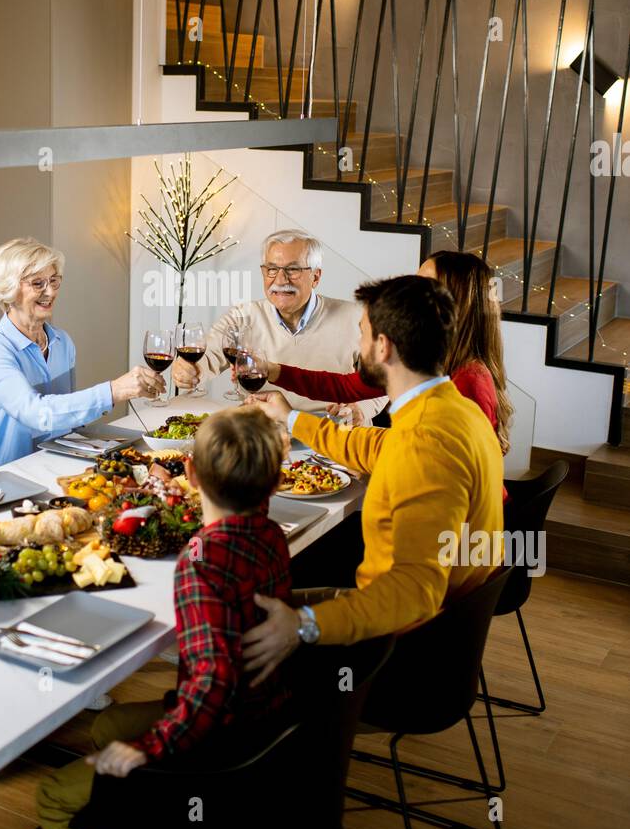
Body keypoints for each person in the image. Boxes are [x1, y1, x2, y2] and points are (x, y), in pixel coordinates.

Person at [36, 405, 292, 829]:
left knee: (55, 799)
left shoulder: (200, 561)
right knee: (107, 727)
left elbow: (211, 685)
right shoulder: (270, 534)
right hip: (266, 725)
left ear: (191, 475)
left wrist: (151, 748)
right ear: (275, 477)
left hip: (215, 748)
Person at [241, 275, 505, 680]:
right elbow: (378, 447)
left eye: (362, 333)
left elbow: (414, 592)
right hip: (434, 629)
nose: (359, 345)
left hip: (393, 654)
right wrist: (289, 417)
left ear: (383, 347)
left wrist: (303, 626)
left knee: (234, 630)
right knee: (244, 606)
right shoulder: (454, 409)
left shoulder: (424, 441)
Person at [265, 251, 512, 449]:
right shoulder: (421, 365)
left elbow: (435, 471)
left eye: (422, 286)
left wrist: (293, 419)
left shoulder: (468, 384)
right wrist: (272, 371)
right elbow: (345, 388)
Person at [0, 238, 164, 476]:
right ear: (8, 289)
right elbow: (38, 414)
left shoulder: (61, 342)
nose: (51, 291)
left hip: (49, 466)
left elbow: (67, 423)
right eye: (38, 283)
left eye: (54, 280)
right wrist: (114, 391)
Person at [169, 229, 386, 422]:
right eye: (271, 269)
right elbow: (207, 357)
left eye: (293, 270)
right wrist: (188, 369)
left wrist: (361, 409)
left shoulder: (358, 318)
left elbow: (385, 381)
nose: (280, 280)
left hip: (334, 433)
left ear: (316, 276)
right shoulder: (241, 317)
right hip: (264, 435)